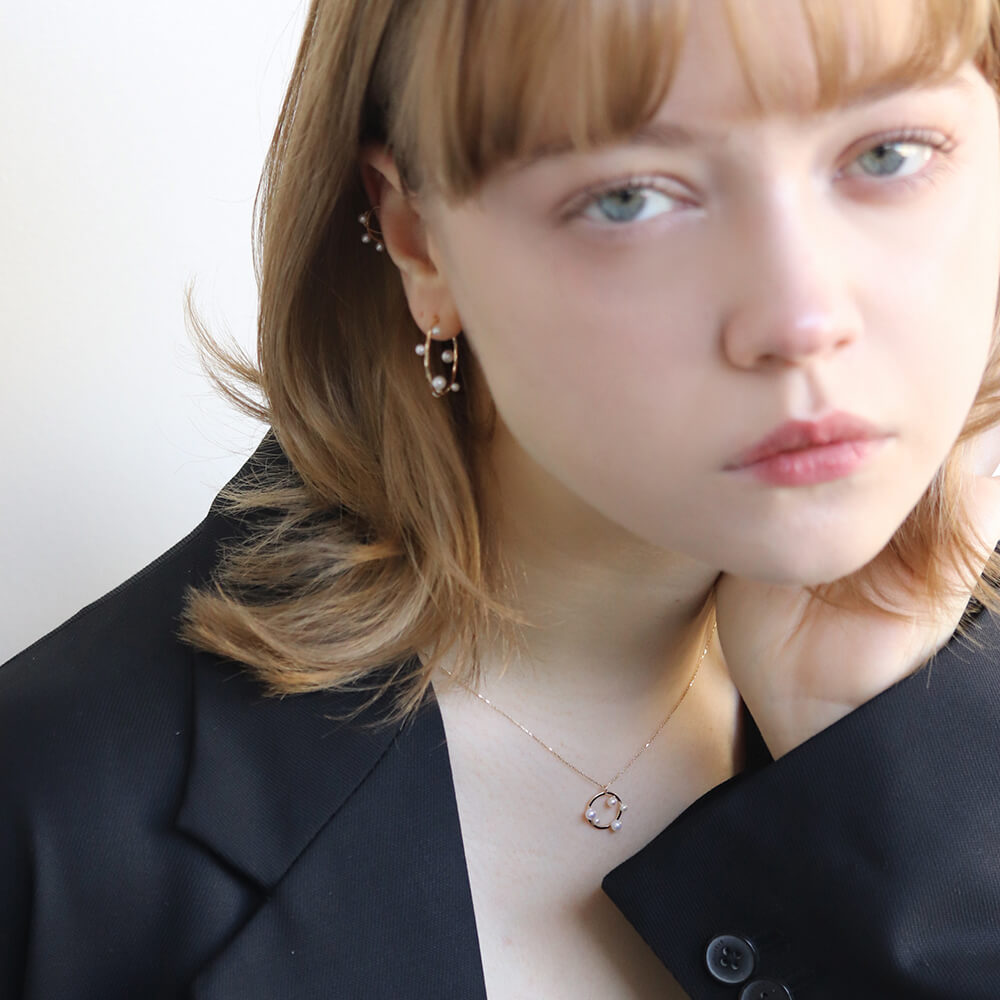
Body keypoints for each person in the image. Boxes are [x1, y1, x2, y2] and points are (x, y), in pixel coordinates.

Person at [4, 0, 1000, 996]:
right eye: (629, 198)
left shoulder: (955, 724)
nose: (802, 318)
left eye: (887, 154)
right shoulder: (57, 828)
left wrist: (890, 776)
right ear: (416, 237)